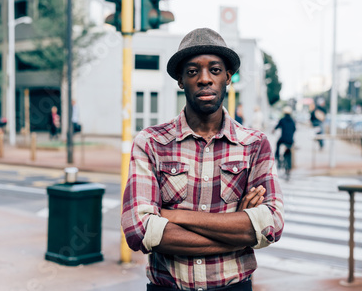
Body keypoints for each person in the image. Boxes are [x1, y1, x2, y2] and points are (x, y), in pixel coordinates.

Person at [121, 28, 284, 291]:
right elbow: (138, 230)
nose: (205, 79)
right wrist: (240, 229)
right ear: (181, 81)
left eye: (215, 70)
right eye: (193, 71)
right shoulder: (151, 142)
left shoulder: (255, 145)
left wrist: (173, 217)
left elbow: (271, 225)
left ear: (228, 77)